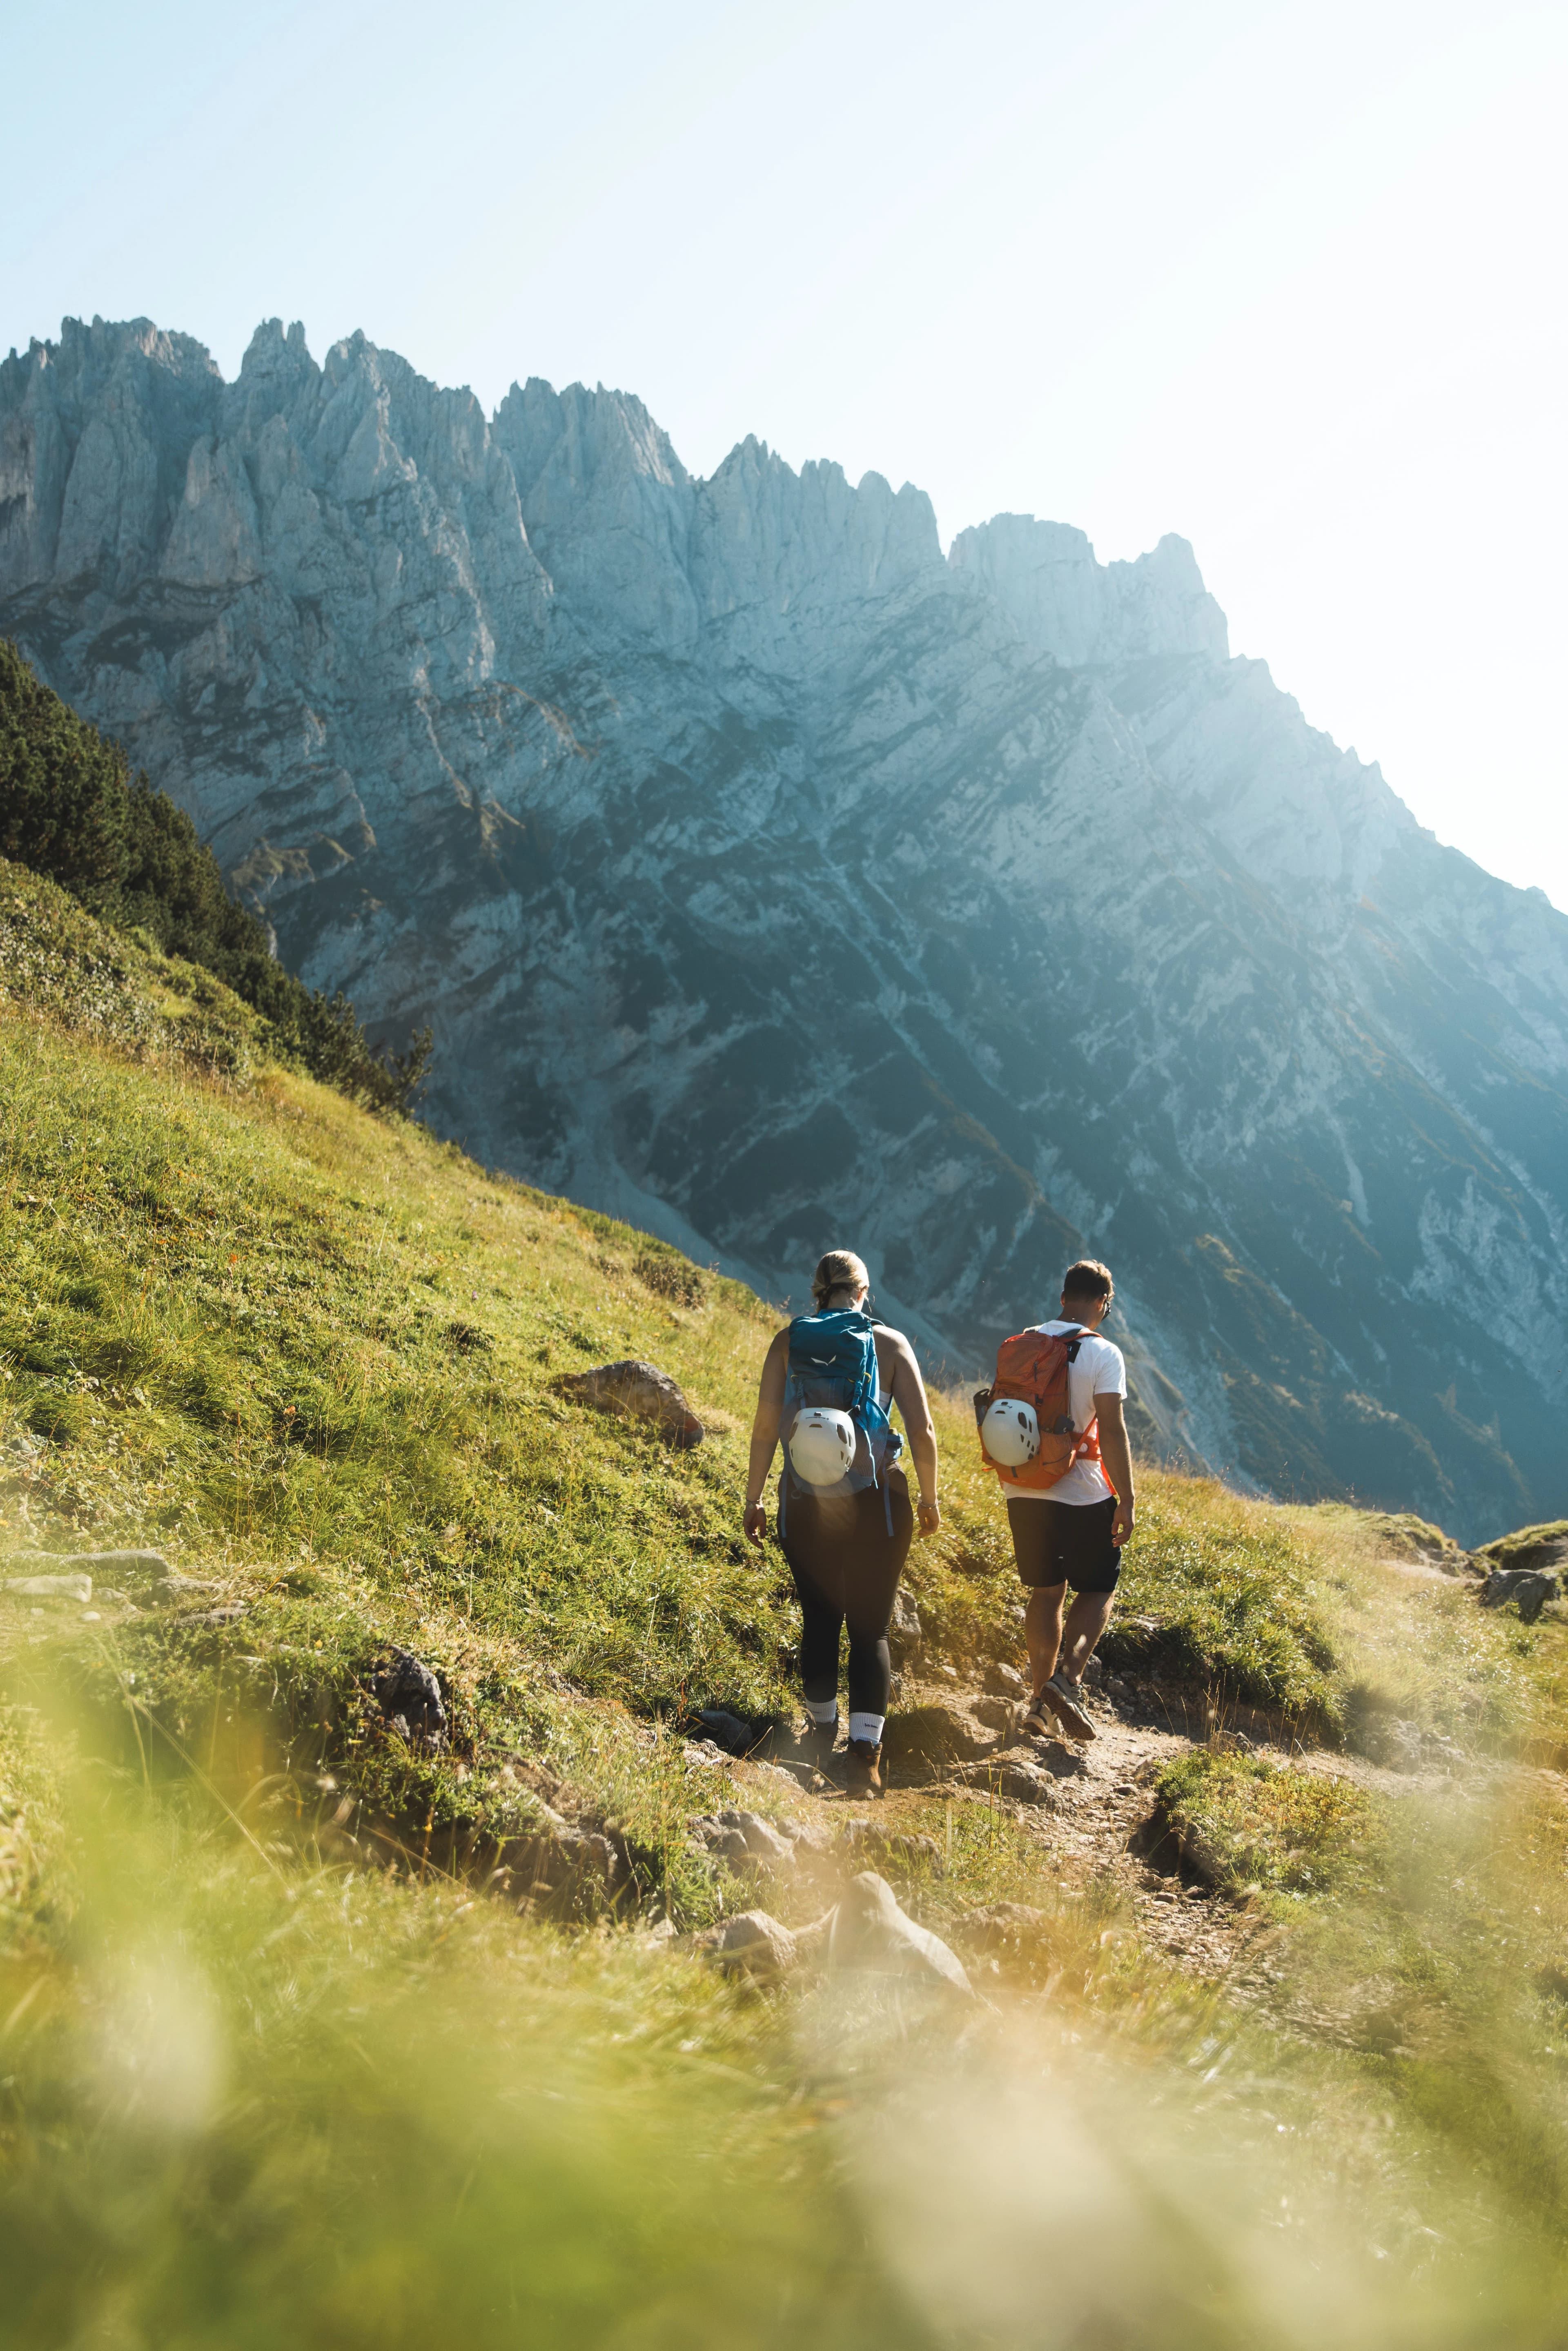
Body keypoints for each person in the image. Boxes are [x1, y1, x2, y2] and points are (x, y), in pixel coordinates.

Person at [743, 1249, 940, 1796]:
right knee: (870, 1627)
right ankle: (863, 1757)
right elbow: (922, 1432)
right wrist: (929, 1498)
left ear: (817, 1291)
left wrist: (755, 1496)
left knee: (821, 1620)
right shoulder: (891, 1343)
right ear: (863, 1293)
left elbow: (764, 1428)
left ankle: (818, 1733)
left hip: (806, 1502)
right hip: (878, 1504)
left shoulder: (788, 1341)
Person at [1003, 1259, 1135, 1744]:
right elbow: (1114, 1431)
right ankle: (1067, 1681)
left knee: (1046, 1591)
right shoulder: (1104, 1354)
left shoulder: (1024, 1342)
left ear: (1063, 1297)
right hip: (1081, 1489)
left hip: (1022, 1484)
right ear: (1103, 1304)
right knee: (1098, 1588)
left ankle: (1040, 1702)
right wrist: (1126, 1498)